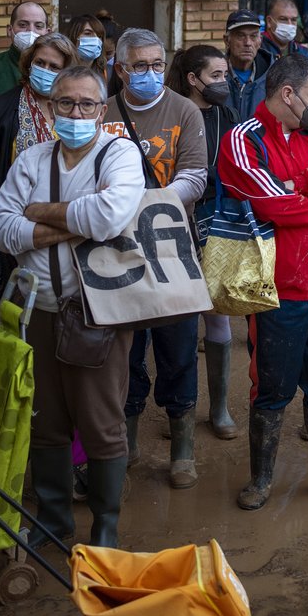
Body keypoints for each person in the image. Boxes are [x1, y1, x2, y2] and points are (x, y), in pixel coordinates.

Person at [0, 66, 146, 549]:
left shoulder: (118, 154)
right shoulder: (33, 159)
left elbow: (110, 215)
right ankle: (55, 521)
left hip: (96, 312)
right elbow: (1, 230)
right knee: (47, 421)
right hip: (38, 308)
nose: (75, 113)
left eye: (86, 105)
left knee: (101, 423)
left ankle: (105, 528)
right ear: (49, 107)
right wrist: (74, 222)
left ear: (102, 111)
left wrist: (35, 213)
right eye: (65, 104)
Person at [218, 53, 308, 510]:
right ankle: (261, 480)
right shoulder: (243, 139)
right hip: (276, 293)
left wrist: (303, 182)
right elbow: (272, 204)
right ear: (288, 94)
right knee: (271, 387)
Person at [101, 28, 208, 489]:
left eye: (156, 64)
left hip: (172, 251)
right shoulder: (101, 112)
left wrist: (149, 202)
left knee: (179, 346)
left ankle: (182, 446)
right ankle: (126, 439)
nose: (149, 73)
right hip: (113, 251)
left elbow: (196, 175)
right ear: (120, 69)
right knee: (125, 349)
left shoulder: (183, 110)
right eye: (139, 66)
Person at [168, 44, 240, 441]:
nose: (223, 83)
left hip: (217, 224)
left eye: (225, 75)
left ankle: (219, 408)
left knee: (218, 314)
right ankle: (181, 409)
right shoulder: (175, 113)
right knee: (176, 320)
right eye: (216, 76)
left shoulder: (228, 116)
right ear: (193, 79)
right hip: (174, 224)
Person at [0, 32, 79, 195]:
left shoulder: (78, 110)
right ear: (29, 64)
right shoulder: (1, 108)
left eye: (54, 67)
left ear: (67, 72)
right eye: (39, 63)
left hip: (69, 208)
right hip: (13, 210)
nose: (45, 70)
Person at [225, 0, 308, 121]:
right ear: (227, 41)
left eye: (253, 36)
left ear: (259, 40)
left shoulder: (273, 75)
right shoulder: (215, 76)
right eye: (240, 36)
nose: (248, 43)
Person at [0, 0, 50, 121]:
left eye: (38, 26)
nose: (31, 31)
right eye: (23, 25)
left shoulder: (57, 69)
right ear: (9, 30)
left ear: (47, 32)